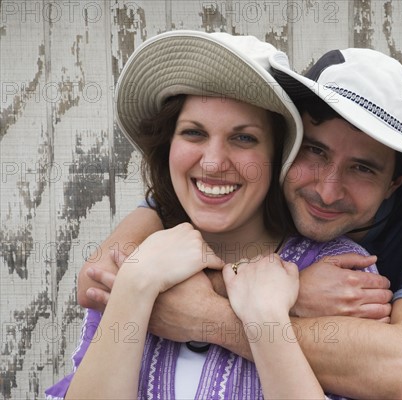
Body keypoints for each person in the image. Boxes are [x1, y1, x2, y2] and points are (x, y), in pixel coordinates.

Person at [77, 46, 402, 399]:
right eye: (315, 152)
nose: (327, 191)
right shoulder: (214, 202)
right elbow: (98, 281)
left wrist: (208, 312)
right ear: (288, 147)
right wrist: (290, 290)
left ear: (395, 182)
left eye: (362, 169)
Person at [46, 31, 381, 400]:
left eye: (243, 139)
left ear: (279, 155)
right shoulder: (136, 255)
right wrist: (138, 280)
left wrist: (266, 314)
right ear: (168, 146)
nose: (212, 163)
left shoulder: (341, 274)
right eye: (193, 133)